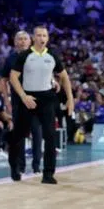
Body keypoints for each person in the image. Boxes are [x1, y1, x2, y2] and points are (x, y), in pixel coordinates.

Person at [8, 26, 74, 185]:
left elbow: (64, 76)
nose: (42, 38)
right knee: (19, 134)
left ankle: (48, 173)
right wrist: (23, 96)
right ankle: (14, 167)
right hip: (28, 98)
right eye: (38, 35)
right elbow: (13, 77)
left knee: (50, 135)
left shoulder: (52, 56)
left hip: (47, 98)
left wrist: (70, 98)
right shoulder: (24, 55)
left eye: (44, 35)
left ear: (48, 38)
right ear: (34, 38)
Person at [1, 30, 42, 174]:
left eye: (25, 39)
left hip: (35, 100)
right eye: (20, 39)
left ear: (30, 41)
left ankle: (36, 166)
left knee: (36, 133)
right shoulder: (10, 58)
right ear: (15, 42)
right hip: (17, 101)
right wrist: (6, 99)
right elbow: (4, 80)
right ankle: (21, 166)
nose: (22, 41)